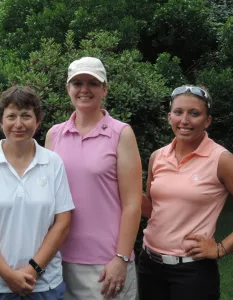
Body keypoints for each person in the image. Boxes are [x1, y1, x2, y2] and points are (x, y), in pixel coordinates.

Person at [45, 57, 142, 299]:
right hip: (59, 259)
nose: (84, 89)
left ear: (104, 88)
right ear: (68, 89)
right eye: (77, 83)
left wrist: (121, 257)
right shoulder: (54, 135)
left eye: (93, 83)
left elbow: (132, 204)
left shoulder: (121, 133)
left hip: (106, 264)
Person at [0, 86, 74, 300]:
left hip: (44, 285)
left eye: (26, 116)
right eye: (11, 116)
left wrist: (34, 270)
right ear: (0, 121)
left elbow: (62, 222)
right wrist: (7, 275)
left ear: (38, 121)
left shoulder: (53, 163)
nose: (18, 124)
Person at [138, 85, 233, 300]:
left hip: (192, 272)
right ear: (170, 117)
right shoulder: (157, 157)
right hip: (149, 266)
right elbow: (153, 210)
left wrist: (221, 249)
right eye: (178, 112)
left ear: (207, 121)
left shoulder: (221, 160)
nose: (184, 120)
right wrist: (122, 186)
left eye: (194, 113)